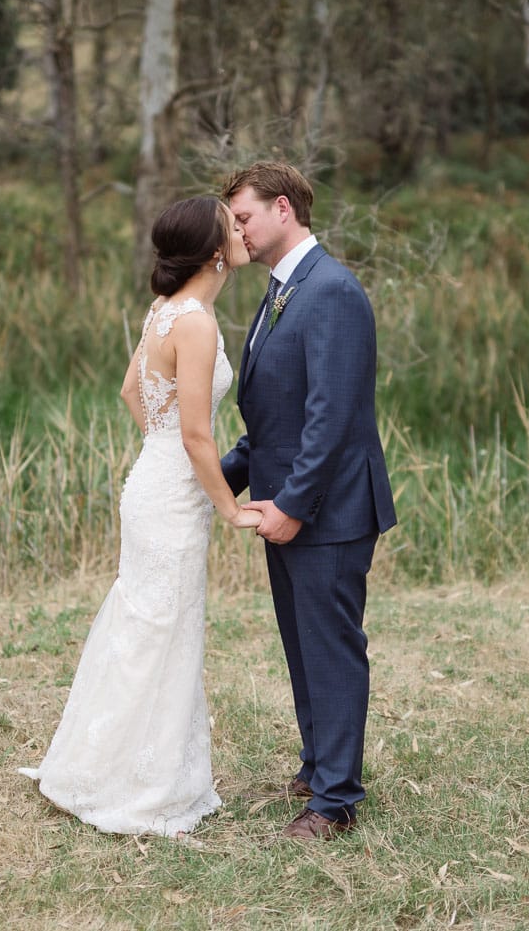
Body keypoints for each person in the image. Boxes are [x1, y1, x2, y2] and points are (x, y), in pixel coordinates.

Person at [18, 196, 260, 837]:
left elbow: (133, 392)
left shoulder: (164, 312)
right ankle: (143, 787)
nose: (243, 230)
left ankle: (97, 767)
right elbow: (198, 438)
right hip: (173, 495)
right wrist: (230, 509)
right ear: (214, 250)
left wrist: (160, 451)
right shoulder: (198, 323)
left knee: (145, 625)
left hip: (148, 482)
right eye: (233, 225)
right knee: (163, 630)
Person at [220, 161, 397, 840]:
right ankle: (319, 761)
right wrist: (216, 476)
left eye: (244, 216)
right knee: (302, 644)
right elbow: (275, 418)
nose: (237, 229)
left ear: (283, 208)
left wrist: (292, 503)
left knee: (331, 646)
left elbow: (331, 416)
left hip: (328, 509)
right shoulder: (281, 292)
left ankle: (335, 802)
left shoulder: (332, 292)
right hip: (284, 506)